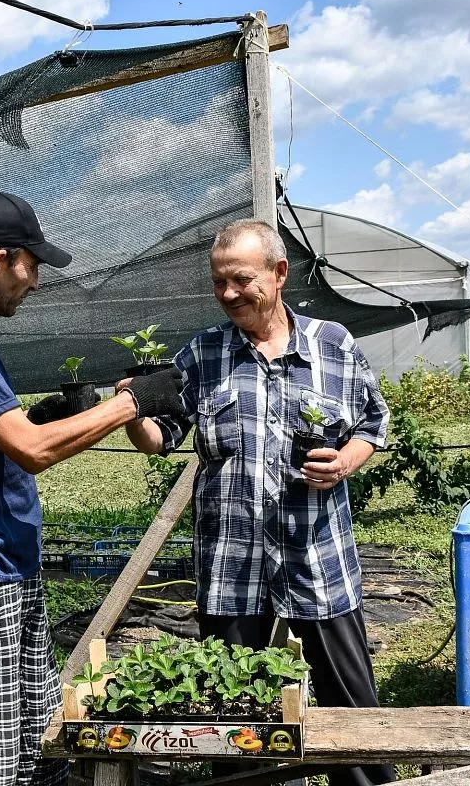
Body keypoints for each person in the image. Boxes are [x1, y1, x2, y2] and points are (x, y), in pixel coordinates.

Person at [0, 189, 186, 786]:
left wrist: (49, 412)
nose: (35, 282)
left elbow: (3, 437)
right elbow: (31, 451)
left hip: (7, 568)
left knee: (36, 747)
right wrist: (130, 403)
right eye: (31, 266)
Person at [124, 218, 393, 786]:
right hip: (232, 565)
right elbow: (160, 438)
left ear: (278, 273)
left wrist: (347, 459)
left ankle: (366, 780)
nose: (227, 294)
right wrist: (134, 410)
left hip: (316, 558)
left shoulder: (334, 345)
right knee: (238, 713)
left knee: (353, 702)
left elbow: (374, 421)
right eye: (219, 282)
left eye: (240, 280)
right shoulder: (202, 355)